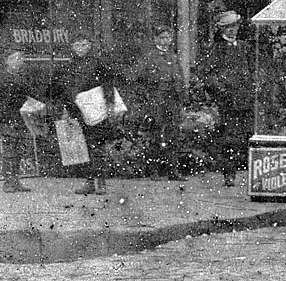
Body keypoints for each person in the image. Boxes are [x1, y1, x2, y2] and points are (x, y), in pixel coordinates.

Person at [52, 30, 118, 195]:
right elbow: (64, 89)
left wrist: (109, 104)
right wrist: (65, 109)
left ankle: (101, 182)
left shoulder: (98, 63)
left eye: (84, 44)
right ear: (72, 47)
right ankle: (89, 182)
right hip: (77, 110)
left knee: (98, 145)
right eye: (76, 45)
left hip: (95, 109)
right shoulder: (68, 65)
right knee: (82, 147)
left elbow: (108, 84)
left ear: (89, 45)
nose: (80, 48)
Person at [197, 10, 255, 187]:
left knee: (247, 137)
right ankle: (229, 174)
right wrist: (222, 90)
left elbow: (254, 69)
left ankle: (251, 173)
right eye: (228, 27)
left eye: (234, 26)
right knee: (229, 138)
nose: (232, 30)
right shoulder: (216, 49)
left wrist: (253, 86)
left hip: (246, 99)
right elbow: (206, 75)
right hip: (228, 102)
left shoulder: (245, 47)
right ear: (221, 29)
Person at [128, 24, 186, 181]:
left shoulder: (173, 57)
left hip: (172, 102)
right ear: (155, 39)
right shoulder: (148, 58)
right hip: (156, 101)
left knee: (172, 136)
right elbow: (134, 78)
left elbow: (179, 78)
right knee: (155, 137)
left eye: (168, 37)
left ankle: (173, 171)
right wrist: (145, 96)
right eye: (162, 37)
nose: (165, 41)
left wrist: (181, 96)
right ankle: (153, 171)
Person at [0, 47, 40, 193]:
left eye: (21, 58)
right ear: (7, 60)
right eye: (15, 58)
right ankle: (8, 182)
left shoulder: (22, 76)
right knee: (9, 150)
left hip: (21, 117)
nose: (19, 61)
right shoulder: (3, 77)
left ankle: (15, 180)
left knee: (18, 149)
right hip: (6, 117)